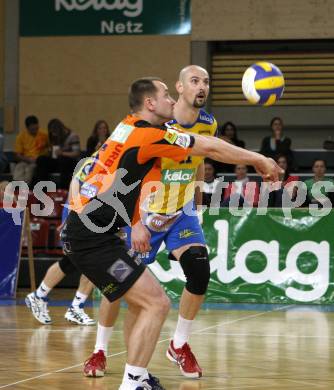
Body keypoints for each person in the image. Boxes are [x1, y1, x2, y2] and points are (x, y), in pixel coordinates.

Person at [78, 73, 282, 387]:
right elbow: (207, 150)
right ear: (176, 89)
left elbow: (201, 152)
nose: (201, 87)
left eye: (207, 81)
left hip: (172, 212)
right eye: (193, 82)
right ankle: (105, 354)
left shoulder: (136, 126)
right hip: (121, 224)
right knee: (135, 296)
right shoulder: (152, 131)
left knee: (173, 285)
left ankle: (158, 361)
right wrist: (259, 159)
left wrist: (196, 204)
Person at [25, 200, 96, 325]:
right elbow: (74, 192)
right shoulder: (83, 181)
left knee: (90, 261)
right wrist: (69, 221)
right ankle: (40, 296)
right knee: (73, 260)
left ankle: (73, 306)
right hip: (79, 217)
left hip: (94, 218)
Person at [33, 118, 81, 189]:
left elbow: (76, 153)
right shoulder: (54, 138)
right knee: (41, 160)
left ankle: (64, 190)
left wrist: (62, 153)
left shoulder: (73, 136)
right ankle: (43, 189)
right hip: (58, 161)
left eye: (55, 132)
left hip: (69, 162)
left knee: (64, 160)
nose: (54, 134)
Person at [13, 115, 48, 185]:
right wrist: (28, 159)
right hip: (25, 160)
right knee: (19, 168)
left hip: (38, 162)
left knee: (29, 170)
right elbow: (17, 155)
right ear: (27, 128)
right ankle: (17, 188)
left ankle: (25, 189)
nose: (35, 131)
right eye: (32, 129)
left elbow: (50, 149)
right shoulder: (21, 137)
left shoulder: (44, 136)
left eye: (36, 128)